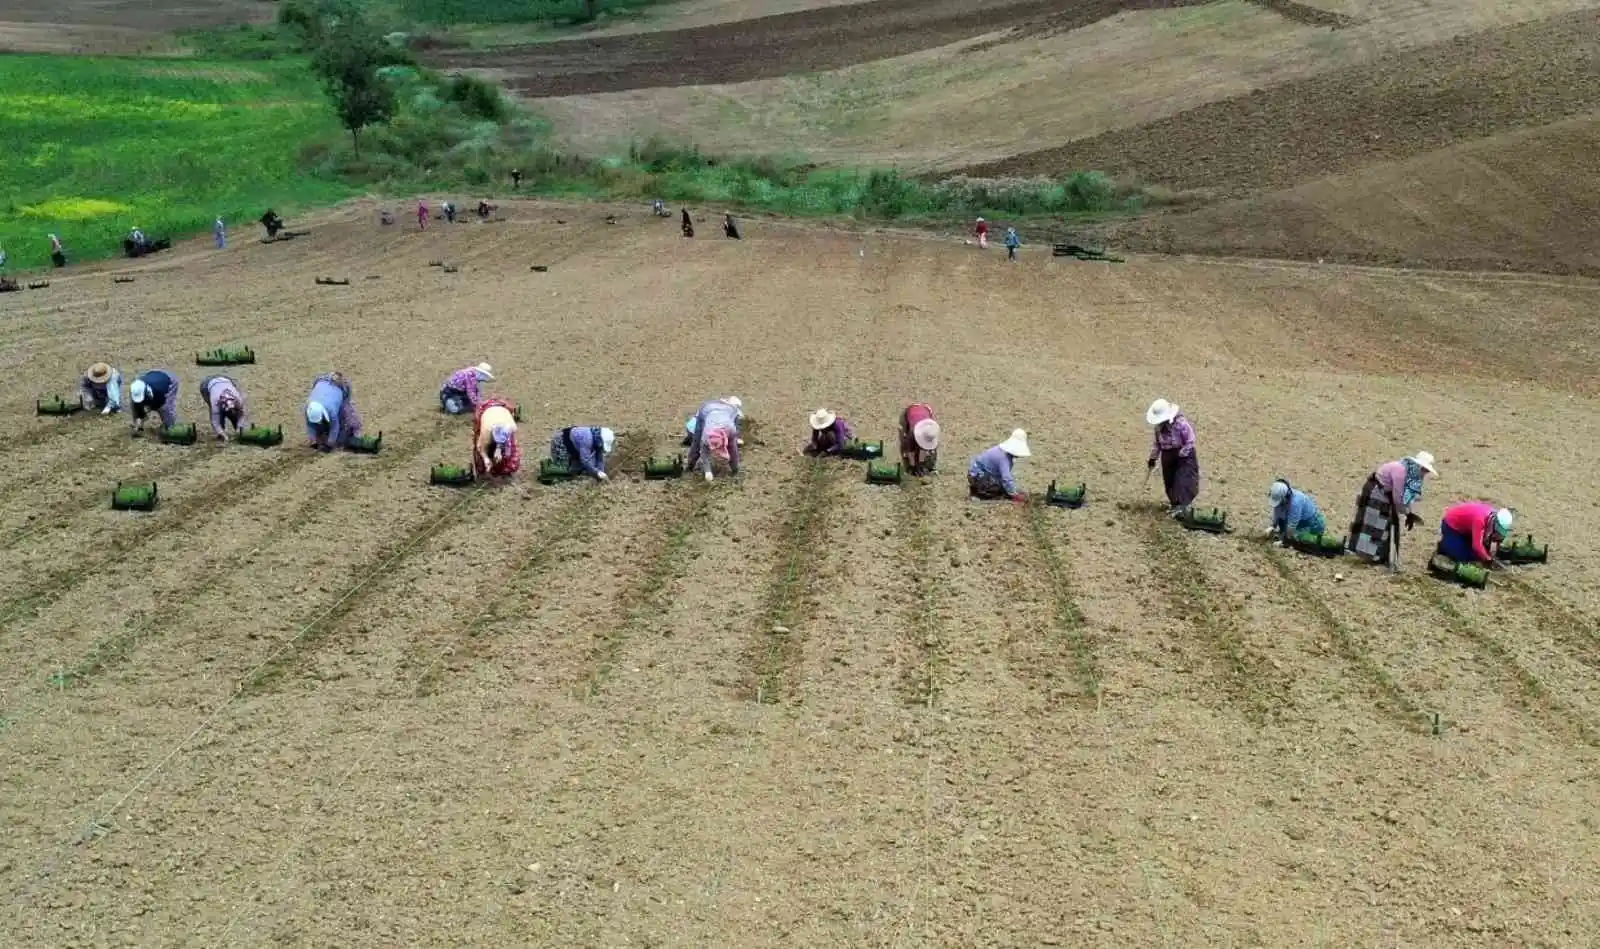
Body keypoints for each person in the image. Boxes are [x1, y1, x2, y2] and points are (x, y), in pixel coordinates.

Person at [1347, 451, 1436, 571]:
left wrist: (1409, 511)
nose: (1424, 473)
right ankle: (1364, 554)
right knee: (1374, 522)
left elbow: (1407, 496)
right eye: (1423, 469)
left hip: (1386, 494)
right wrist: (1407, 513)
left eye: (1427, 471)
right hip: (1376, 491)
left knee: (1384, 523)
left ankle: (1378, 555)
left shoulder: (1411, 476)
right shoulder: (1400, 471)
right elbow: (1398, 498)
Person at [1146, 399, 1200, 516]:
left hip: (1184, 455)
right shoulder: (1158, 429)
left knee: (1184, 480)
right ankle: (1175, 505)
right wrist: (1152, 458)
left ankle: (1183, 506)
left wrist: (1182, 453)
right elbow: (1157, 444)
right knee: (1170, 481)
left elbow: (1190, 441)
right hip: (1167, 456)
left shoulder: (1181, 424)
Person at [1437, 502, 1513, 566]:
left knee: (1479, 552)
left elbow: (1495, 539)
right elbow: (1477, 546)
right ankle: (1445, 545)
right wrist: (1488, 559)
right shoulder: (1480, 520)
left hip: (1467, 529)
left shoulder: (1493, 517)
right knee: (1464, 556)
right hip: (1451, 527)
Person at [686, 396, 742, 481]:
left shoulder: (731, 430)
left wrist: (735, 469)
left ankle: (734, 467)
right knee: (697, 442)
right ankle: (690, 466)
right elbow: (704, 453)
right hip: (706, 409)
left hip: (728, 409)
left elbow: (733, 450)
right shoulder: (706, 437)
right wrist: (708, 472)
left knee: (733, 445)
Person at [305, 372, 363, 451]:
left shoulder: (331, 409)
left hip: (341, 388)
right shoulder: (307, 408)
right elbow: (310, 424)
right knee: (320, 431)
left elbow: (335, 427)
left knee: (344, 422)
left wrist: (330, 444)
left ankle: (353, 433)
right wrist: (313, 440)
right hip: (322, 382)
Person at [968, 429, 1030, 501]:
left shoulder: (1002, 452)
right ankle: (978, 495)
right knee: (999, 491)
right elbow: (1006, 478)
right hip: (978, 477)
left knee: (1002, 487)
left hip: (978, 474)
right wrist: (1014, 495)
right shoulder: (1004, 459)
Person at [474, 398, 523, 478]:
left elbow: (508, 445)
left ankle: (504, 471)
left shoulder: (511, 427)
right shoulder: (487, 431)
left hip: (502, 411)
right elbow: (481, 447)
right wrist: (486, 458)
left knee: (511, 455)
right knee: (483, 455)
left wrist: (502, 453)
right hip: (488, 410)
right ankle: (485, 471)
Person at [548, 425, 615, 481]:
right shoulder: (587, 439)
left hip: (575, 447)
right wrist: (597, 473)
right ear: (600, 439)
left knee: (583, 469)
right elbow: (585, 460)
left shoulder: (598, 441)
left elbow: (599, 458)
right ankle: (549, 469)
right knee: (567, 472)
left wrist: (601, 472)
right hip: (561, 443)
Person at [1268, 478, 1326, 543]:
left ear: (1285, 497)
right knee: (1283, 528)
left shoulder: (1295, 502)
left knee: (1299, 540)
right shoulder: (1281, 498)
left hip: (1311, 523)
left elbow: (1292, 526)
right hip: (1298, 521)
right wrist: (1273, 526)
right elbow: (1277, 511)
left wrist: (1284, 542)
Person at [128, 369, 180, 434]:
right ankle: (139, 426)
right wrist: (138, 420)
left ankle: (170, 429)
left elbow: (159, 405)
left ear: (146, 392)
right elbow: (136, 405)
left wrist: (150, 409)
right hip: (153, 375)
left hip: (169, 380)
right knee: (137, 405)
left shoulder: (159, 391)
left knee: (166, 408)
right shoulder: (135, 388)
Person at [199, 375, 249, 441]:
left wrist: (240, 427)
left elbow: (243, 415)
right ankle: (221, 434)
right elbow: (215, 422)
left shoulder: (239, 400)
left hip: (225, 379)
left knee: (235, 416)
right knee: (220, 417)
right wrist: (223, 435)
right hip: (207, 384)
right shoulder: (215, 403)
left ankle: (238, 430)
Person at [899, 403, 939, 475]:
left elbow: (924, 447)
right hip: (909, 412)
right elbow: (910, 450)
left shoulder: (931, 431)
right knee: (906, 442)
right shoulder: (912, 432)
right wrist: (913, 465)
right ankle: (908, 464)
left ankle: (923, 464)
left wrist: (921, 463)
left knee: (923, 451)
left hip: (925, 410)